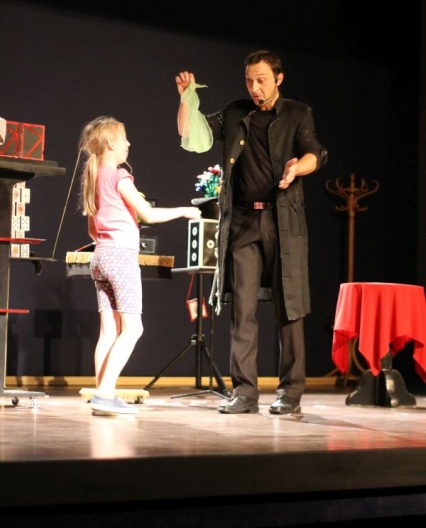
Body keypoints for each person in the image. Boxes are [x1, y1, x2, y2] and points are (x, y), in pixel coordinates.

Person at [175, 50, 328, 415]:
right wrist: (185, 100)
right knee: (242, 309)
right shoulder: (235, 112)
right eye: (249, 81)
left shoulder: (298, 113)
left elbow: (315, 152)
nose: (255, 88)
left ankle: (290, 393)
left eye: (261, 80)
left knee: (289, 306)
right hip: (243, 221)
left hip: (283, 221)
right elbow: (193, 134)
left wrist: (298, 168)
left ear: (278, 78)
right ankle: (244, 392)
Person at [79, 116, 201, 415]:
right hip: (120, 257)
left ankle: (101, 394)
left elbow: (93, 231)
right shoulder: (119, 176)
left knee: (108, 332)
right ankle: (105, 394)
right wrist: (186, 210)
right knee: (133, 329)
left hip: (101, 256)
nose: (129, 143)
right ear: (111, 143)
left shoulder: (94, 177)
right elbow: (149, 214)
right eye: (124, 139)